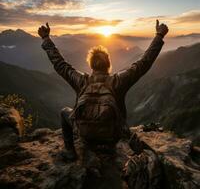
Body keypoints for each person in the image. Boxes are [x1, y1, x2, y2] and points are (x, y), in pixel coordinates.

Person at [38, 20, 168, 161]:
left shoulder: (81, 81)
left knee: (64, 112)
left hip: (84, 135)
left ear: (91, 64)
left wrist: (46, 39)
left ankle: (70, 151)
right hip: (111, 137)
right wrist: (159, 36)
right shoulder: (118, 81)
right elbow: (143, 63)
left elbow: (60, 64)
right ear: (109, 64)